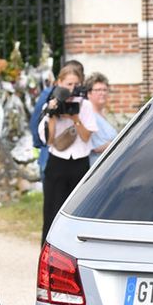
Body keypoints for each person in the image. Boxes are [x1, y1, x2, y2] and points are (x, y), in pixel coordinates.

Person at [40, 62, 98, 239]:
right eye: (68, 84)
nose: (72, 88)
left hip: (79, 162)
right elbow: (49, 141)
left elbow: (86, 136)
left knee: (79, 211)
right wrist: (52, 114)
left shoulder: (85, 106)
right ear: (59, 83)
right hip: (57, 162)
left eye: (75, 84)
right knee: (52, 211)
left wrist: (75, 118)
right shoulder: (49, 105)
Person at [28, 59, 84, 178]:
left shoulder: (83, 99)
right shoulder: (50, 94)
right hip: (52, 153)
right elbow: (36, 121)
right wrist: (42, 144)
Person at [85, 72, 117, 165]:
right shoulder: (89, 115)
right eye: (98, 90)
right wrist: (118, 144)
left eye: (104, 90)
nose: (102, 93)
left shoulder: (105, 114)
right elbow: (96, 147)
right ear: (89, 93)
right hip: (97, 166)